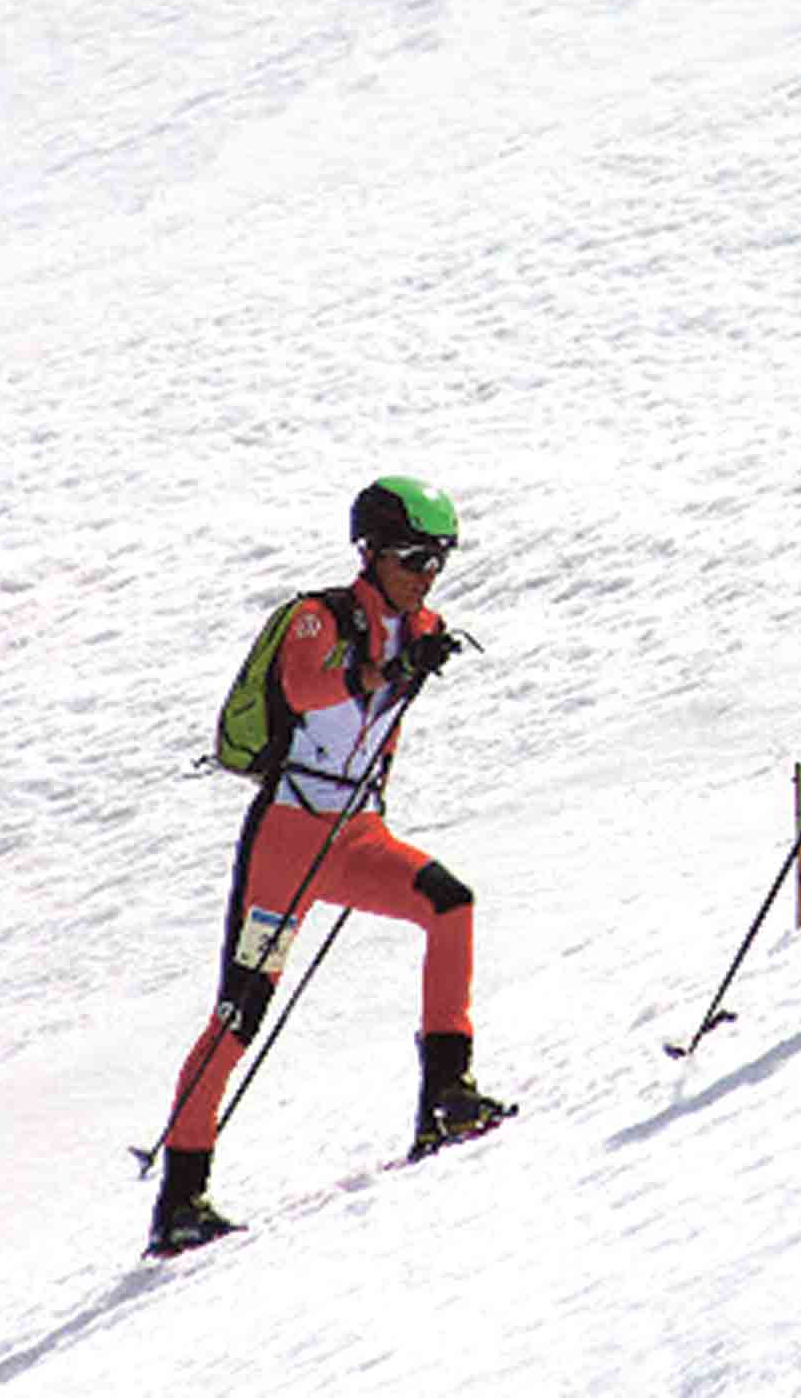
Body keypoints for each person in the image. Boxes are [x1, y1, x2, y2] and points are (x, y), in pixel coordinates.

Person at [146, 476, 511, 1257]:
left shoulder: (422, 623)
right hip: (285, 841)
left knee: (450, 904)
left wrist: (411, 663)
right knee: (240, 1012)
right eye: (414, 556)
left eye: (439, 559)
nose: (427, 573)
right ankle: (180, 1200)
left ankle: (445, 1094)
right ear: (372, 551)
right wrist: (389, 669)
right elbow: (306, 690)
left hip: (354, 837)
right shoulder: (319, 618)